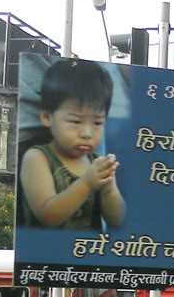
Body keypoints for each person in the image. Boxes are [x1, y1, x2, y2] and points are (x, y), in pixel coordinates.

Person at [19, 58, 125, 229]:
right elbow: (48, 216)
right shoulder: (37, 158)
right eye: (76, 122)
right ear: (47, 117)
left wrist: (109, 190)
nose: (87, 134)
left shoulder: (96, 161)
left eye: (97, 123)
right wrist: (86, 184)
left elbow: (116, 219)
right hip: (45, 253)